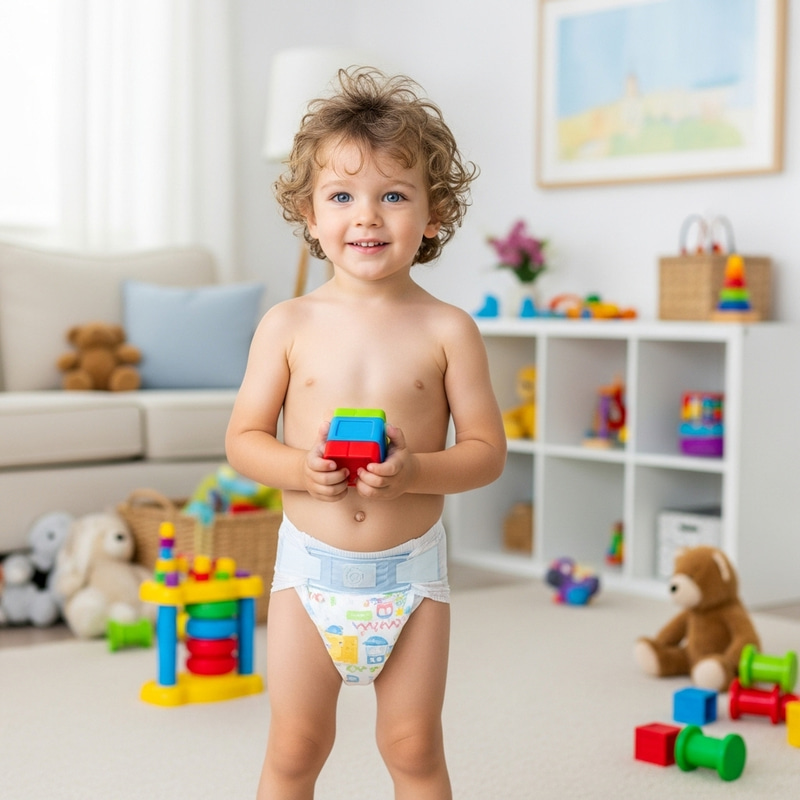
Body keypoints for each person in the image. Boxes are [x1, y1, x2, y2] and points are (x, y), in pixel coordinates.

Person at [226, 66, 506, 800]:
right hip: (309, 577)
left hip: (410, 580)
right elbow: (244, 438)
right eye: (343, 196)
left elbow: (485, 453)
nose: (368, 216)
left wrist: (415, 474)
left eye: (394, 195)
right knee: (295, 746)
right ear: (310, 216)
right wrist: (296, 467)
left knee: (413, 748)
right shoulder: (287, 324)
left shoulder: (449, 329)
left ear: (434, 212)